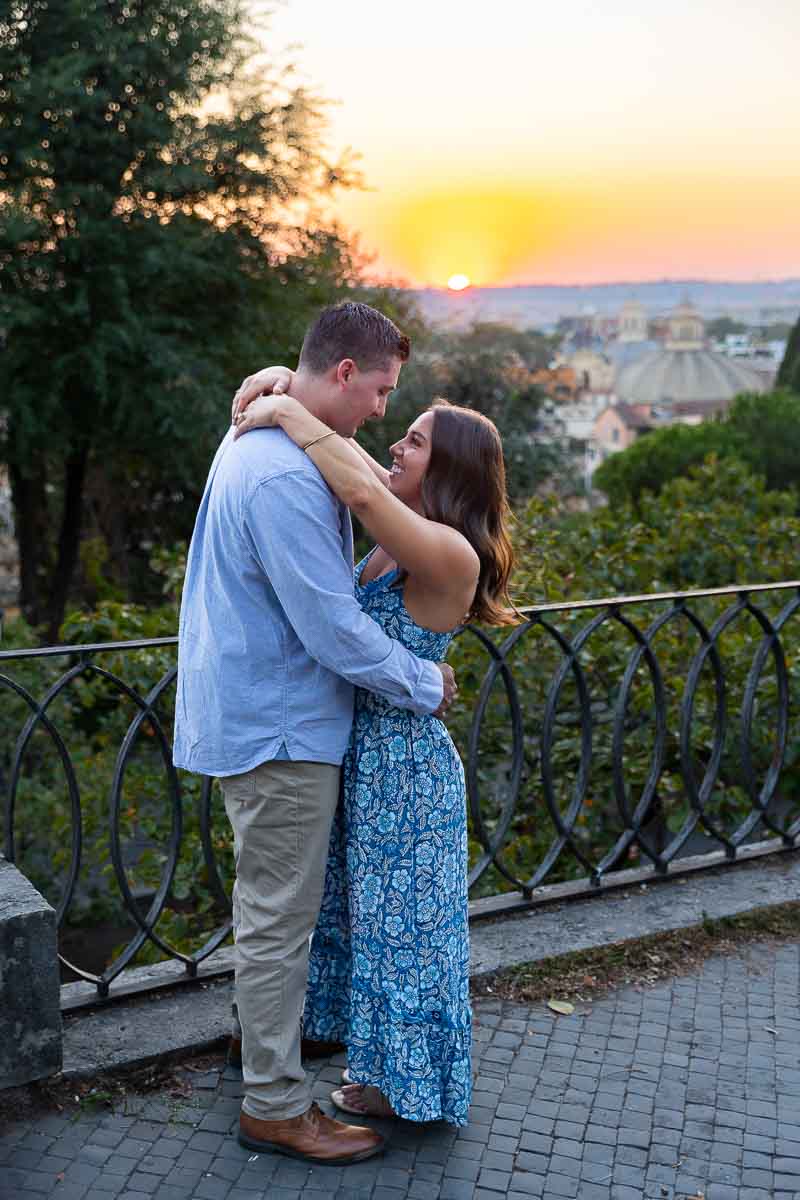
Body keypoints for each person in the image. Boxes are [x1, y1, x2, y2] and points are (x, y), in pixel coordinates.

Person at [173, 302, 457, 1165]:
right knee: (277, 920)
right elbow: (331, 628)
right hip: (284, 728)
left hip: (264, 715)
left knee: (272, 908)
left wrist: (273, 383)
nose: (380, 411)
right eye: (380, 390)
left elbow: (362, 475)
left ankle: (261, 1043)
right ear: (343, 375)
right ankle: (274, 1103)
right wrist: (423, 685)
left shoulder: (269, 438)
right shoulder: (287, 478)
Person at [232, 376, 517, 1126]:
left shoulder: (450, 552)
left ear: (448, 469)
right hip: (362, 762)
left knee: (406, 938)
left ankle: (406, 1087)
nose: (395, 442)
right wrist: (281, 381)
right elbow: (356, 467)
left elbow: (360, 490)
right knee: (367, 927)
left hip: (405, 772)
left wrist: (289, 410)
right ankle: (376, 1066)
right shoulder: (402, 537)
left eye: (415, 440)